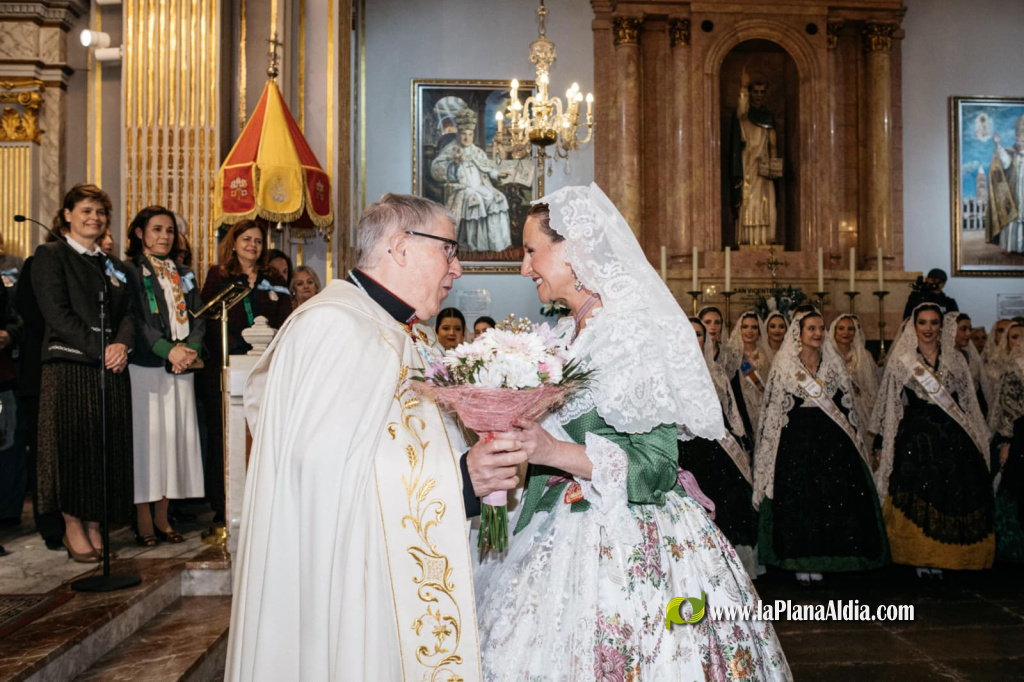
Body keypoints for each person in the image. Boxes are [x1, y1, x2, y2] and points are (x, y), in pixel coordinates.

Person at [475, 185, 791, 680]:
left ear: (573, 248)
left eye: (531, 251)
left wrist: (552, 449)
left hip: (626, 534)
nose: (524, 267)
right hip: (559, 518)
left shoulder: (628, 331)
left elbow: (656, 465)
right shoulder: (565, 334)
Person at [224, 193, 525, 682]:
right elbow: (321, 481)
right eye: (449, 249)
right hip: (344, 592)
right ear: (402, 247)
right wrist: (460, 483)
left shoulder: (403, 333)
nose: (459, 268)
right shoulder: (334, 327)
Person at [32, 183, 135, 563]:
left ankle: (95, 524)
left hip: (109, 367)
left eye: (100, 213)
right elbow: (57, 314)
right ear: (68, 216)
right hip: (70, 367)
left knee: (101, 449)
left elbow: (129, 313)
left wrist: (122, 344)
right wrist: (102, 350)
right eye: (86, 211)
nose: (94, 218)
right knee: (72, 450)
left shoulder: (110, 264)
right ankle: (73, 525)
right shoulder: (51, 255)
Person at [754, 311, 888, 585]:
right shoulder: (783, 365)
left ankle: (829, 557)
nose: (817, 333)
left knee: (831, 499)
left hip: (831, 443)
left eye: (821, 328)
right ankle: (801, 561)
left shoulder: (834, 365)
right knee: (801, 502)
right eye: (811, 328)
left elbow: (846, 406)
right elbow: (773, 412)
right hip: (796, 445)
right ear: (799, 334)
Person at [870, 304, 993, 578]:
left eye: (933, 323)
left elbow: (967, 402)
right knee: (918, 495)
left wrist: (976, 435)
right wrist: (882, 441)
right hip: (917, 435)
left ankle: (943, 556)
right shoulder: (902, 359)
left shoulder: (956, 359)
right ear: (914, 327)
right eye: (922, 323)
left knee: (950, 493)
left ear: (941, 326)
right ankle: (918, 557)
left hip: (952, 434)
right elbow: (890, 403)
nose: (928, 328)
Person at [123, 206, 205, 546]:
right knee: (148, 443)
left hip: (181, 366)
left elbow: (198, 315)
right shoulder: (128, 270)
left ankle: (163, 516)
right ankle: (143, 519)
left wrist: (191, 349)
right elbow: (132, 319)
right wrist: (164, 349)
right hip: (146, 365)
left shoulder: (183, 272)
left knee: (174, 442)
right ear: (140, 233)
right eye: (157, 229)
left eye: (169, 231)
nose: (164, 237)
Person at [200, 220, 291, 523]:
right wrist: (238, 344)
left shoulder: (273, 277)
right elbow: (210, 320)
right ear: (234, 242)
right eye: (247, 239)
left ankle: (263, 498)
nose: (253, 245)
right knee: (222, 435)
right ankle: (224, 503)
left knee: (263, 432)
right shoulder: (220, 275)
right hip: (227, 365)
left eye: (258, 241)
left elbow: (287, 316)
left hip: (266, 364)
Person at [678, 316, 761, 578]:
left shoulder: (716, 371)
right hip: (685, 448)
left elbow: (732, 411)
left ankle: (728, 569)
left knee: (728, 505)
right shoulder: (669, 371)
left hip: (717, 448)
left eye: (700, 334)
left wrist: (740, 439)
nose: (695, 339)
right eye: (689, 333)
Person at [430, 109, 512, 252]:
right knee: (476, 200)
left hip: (481, 185)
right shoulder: (451, 150)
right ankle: (474, 245)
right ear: (458, 134)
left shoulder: (477, 151)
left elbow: (487, 168)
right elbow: (436, 170)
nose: (467, 138)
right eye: (463, 134)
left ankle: (496, 244)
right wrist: (454, 164)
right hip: (462, 188)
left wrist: (498, 174)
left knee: (498, 197)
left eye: (470, 135)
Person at [730, 71, 779, 246]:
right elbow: (741, 109)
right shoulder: (745, 114)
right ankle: (747, 239)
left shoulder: (768, 116)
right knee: (748, 197)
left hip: (764, 164)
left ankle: (766, 237)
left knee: (767, 199)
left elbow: (773, 143)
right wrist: (743, 88)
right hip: (748, 161)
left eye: (762, 92)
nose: (758, 96)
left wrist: (773, 162)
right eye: (755, 92)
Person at [989, 322, 1024, 562]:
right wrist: (1006, 442)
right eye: (1014, 337)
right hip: (1019, 438)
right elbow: (1008, 411)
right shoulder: (1012, 369)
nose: (1019, 342)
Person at [700, 305, 755, 440]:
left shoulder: (729, 356)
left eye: (717, 322)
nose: (713, 327)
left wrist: (746, 429)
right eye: (707, 322)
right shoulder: (692, 356)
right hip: (699, 418)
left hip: (724, 416)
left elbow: (736, 395)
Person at [829, 314, 880, 428]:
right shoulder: (827, 356)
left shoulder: (864, 356)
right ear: (834, 331)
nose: (845, 332)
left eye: (850, 329)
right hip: (835, 408)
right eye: (841, 328)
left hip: (860, 409)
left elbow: (871, 386)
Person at [987, 116, 1024, 254]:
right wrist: (998, 144)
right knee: (1013, 219)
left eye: (1022, 140)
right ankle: (1011, 248)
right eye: (1017, 140)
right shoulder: (1012, 154)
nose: (1019, 143)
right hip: (1015, 192)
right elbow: (1005, 162)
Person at [729, 310, 770, 430]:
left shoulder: (766, 355)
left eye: (754, 327)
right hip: (741, 408)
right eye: (745, 327)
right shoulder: (733, 355)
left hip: (762, 409)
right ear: (739, 330)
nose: (749, 331)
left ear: (759, 331)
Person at [950, 312, 991, 414]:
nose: (968, 333)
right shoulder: (942, 358)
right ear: (950, 330)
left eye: (970, 329)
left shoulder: (971, 356)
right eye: (963, 329)